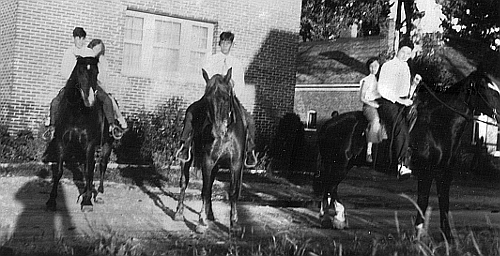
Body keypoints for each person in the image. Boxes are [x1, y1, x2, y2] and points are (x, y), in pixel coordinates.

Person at [176, 31, 257, 167]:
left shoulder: (236, 63)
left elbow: (240, 84)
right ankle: (185, 146)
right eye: (223, 43)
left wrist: (231, 85)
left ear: (232, 45)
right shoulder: (211, 60)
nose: (225, 46)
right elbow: (205, 79)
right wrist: (213, 87)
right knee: (191, 112)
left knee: (249, 119)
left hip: (228, 98)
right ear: (220, 44)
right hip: (212, 97)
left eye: (228, 43)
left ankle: (249, 151)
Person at [44, 28, 126, 141]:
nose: (80, 41)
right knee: (56, 101)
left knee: (106, 99)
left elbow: (94, 69)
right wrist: (73, 79)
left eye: (82, 39)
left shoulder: (89, 52)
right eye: (78, 38)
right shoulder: (68, 53)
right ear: (74, 38)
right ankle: (52, 127)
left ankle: (112, 126)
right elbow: (63, 70)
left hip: (89, 83)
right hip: (73, 84)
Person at [376, 39, 419, 179]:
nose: (405, 55)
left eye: (408, 53)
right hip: (388, 102)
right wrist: (400, 100)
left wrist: (414, 85)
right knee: (400, 126)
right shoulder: (388, 66)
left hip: (402, 102)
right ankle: (401, 164)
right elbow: (382, 89)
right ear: (397, 50)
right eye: (403, 52)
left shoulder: (406, 68)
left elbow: (406, 92)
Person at [87, 39, 128, 138]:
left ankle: (113, 124)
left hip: (97, 85)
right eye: (95, 49)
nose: (96, 51)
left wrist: (105, 89)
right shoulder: (87, 58)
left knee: (110, 100)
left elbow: (103, 77)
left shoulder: (102, 61)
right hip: (86, 84)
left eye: (99, 50)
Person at [359, 57, 386, 163]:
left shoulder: (381, 80)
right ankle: (368, 152)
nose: (373, 68)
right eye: (371, 66)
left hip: (381, 104)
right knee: (375, 121)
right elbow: (362, 98)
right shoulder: (367, 80)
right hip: (369, 105)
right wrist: (373, 105)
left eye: (375, 66)